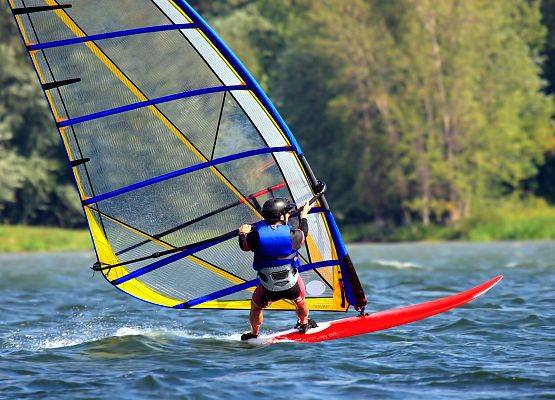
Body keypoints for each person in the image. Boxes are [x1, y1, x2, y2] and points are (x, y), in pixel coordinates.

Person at [239, 198, 317, 340]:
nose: (288, 215)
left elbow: (244, 247)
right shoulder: (293, 235)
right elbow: (303, 233)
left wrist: (243, 233)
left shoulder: (255, 236)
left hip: (268, 288)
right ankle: (304, 323)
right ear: (281, 216)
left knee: (256, 306)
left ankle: (254, 333)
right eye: (287, 213)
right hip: (291, 286)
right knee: (301, 300)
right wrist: (304, 215)